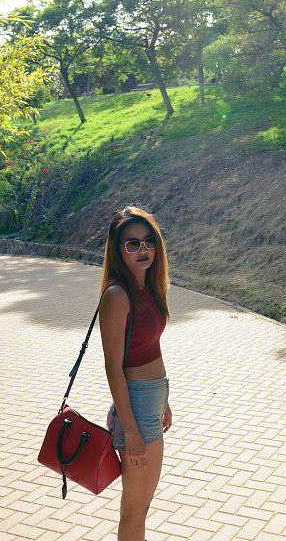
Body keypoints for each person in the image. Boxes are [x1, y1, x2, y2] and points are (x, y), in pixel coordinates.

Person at [99, 206, 172, 541]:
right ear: (118, 250)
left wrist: (164, 402)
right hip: (137, 407)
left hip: (151, 400)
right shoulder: (118, 294)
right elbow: (113, 367)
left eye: (148, 241)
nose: (143, 250)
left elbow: (151, 347)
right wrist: (131, 431)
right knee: (134, 509)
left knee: (142, 504)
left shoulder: (150, 287)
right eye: (132, 244)